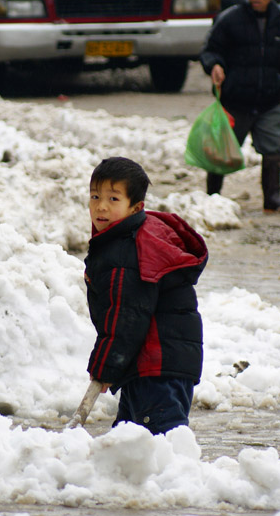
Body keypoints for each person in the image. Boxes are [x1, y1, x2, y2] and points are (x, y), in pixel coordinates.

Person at [86, 157, 208, 435]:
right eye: (95, 196)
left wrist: (105, 366)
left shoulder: (128, 251)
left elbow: (125, 316)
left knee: (160, 445)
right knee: (127, 444)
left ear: (136, 207)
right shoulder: (126, 239)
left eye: (113, 198)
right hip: (149, 366)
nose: (101, 206)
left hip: (156, 369)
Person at [200, 0, 280, 213]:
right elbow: (210, 50)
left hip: (269, 100)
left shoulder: (279, 23)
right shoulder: (230, 19)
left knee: (272, 150)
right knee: (222, 152)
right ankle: (212, 198)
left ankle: (272, 200)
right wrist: (215, 66)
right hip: (236, 100)